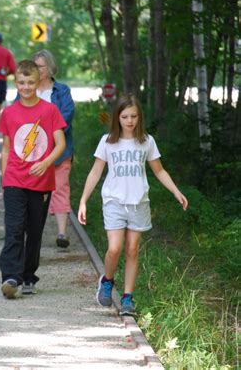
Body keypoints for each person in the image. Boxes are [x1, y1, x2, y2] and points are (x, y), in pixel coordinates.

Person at [77, 93, 188, 316]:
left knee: (132, 249)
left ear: (139, 117)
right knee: (115, 248)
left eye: (134, 116)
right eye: (125, 116)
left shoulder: (146, 141)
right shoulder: (108, 141)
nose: (130, 121)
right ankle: (107, 280)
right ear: (117, 117)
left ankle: (127, 298)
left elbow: (159, 170)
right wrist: (83, 201)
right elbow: (96, 171)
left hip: (139, 202)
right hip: (114, 202)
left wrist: (176, 191)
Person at [0, 60, 66, 299]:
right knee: (14, 229)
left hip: (41, 182)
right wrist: (5, 178)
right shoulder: (9, 112)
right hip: (15, 180)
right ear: (15, 83)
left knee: (34, 230)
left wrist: (46, 163)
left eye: (30, 82)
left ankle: (28, 276)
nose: (26, 87)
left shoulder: (49, 111)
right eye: (21, 82)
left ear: (39, 82)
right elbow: (6, 148)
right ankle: (10, 277)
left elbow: (61, 144)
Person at [33, 50, 75, 249]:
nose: (37, 70)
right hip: (31, 151)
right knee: (32, 192)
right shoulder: (26, 90)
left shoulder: (62, 90)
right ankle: (31, 231)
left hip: (59, 150)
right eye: (35, 66)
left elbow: (67, 114)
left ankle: (62, 233)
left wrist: (49, 134)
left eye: (41, 66)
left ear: (49, 67)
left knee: (60, 188)